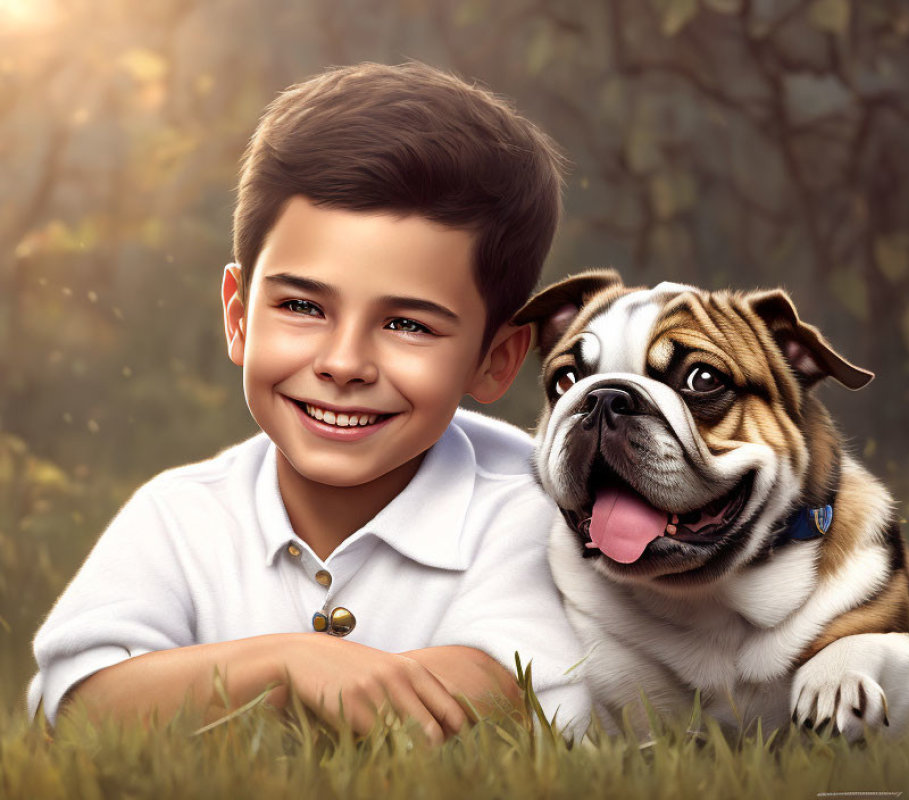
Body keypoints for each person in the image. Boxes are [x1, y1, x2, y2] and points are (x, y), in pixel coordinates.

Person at [28, 61, 591, 743]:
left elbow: (515, 692)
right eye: (302, 306)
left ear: (495, 360)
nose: (344, 364)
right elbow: (79, 708)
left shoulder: (536, 509)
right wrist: (284, 664)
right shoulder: (179, 515)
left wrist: (211, 697)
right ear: (238, 316)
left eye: (407, 324)